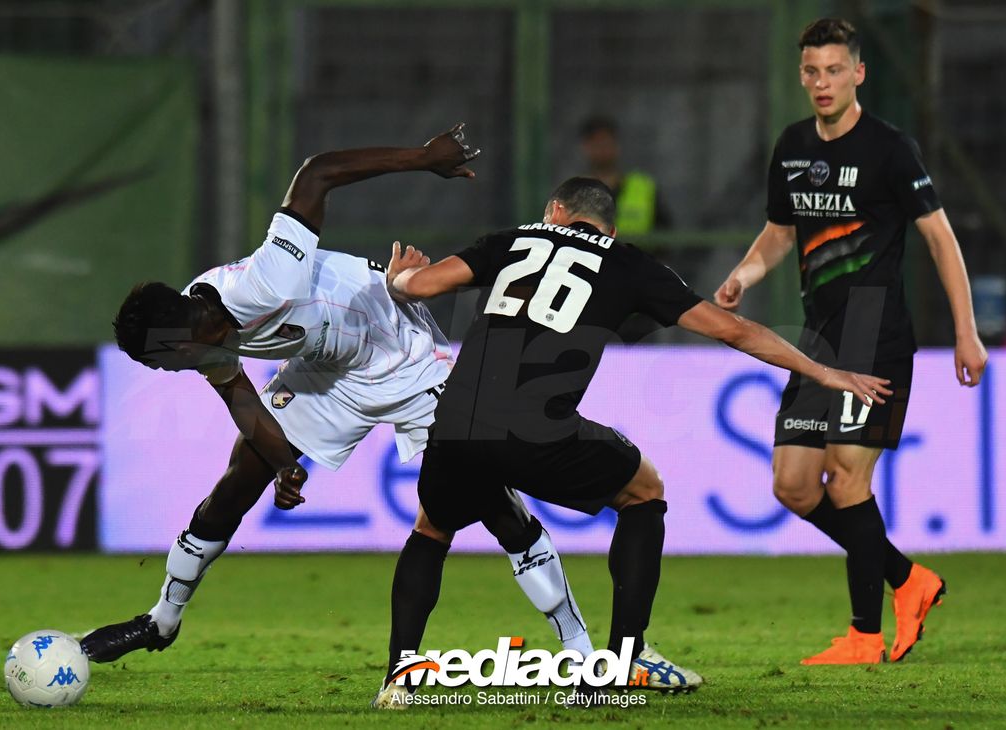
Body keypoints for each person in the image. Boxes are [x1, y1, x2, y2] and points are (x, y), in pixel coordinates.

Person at [80, 127, 685, 685]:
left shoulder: (262, 283)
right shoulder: (198, 334)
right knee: (243, 474)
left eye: (161, 361)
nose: (165, 369)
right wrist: (283, 462)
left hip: (400, 349)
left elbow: (317, 173)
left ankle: (579, 649)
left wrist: (422, 160)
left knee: (492, 502)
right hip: (329, 372)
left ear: (182, 336)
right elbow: (241, 396)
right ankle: (162, 619)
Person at [368, 176, 891, 706]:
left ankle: (397, 679)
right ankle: (624, 659)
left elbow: (422, 286)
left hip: (456, 418)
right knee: (645, 490)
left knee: (431, 530)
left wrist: (398, 279)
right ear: (610, 229)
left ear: (555, 211)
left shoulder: (512, 240)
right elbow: (734, 331)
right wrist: (822, 372)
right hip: (534, 427)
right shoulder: (628, 262)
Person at [713, 18, 988, 664]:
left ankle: (864, 635)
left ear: (858, 73)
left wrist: (966, 330)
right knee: (794, 485)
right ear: (802, 75)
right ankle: (907, 578)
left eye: (835, 70)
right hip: (820, 336)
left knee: (844, 476)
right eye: (812, 71)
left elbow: (940, 239)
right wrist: (745, 273)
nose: (822, 83)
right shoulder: (792, 146)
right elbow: (780, 231)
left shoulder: (891, 150)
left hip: (877, 328)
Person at [579, 116, 672, 237]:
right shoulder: (573, 192)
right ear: (585, 148)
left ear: (617, 145)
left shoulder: (643, 187)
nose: (602, 149)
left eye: (606, 142)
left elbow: (664, 234)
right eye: (596, 143)